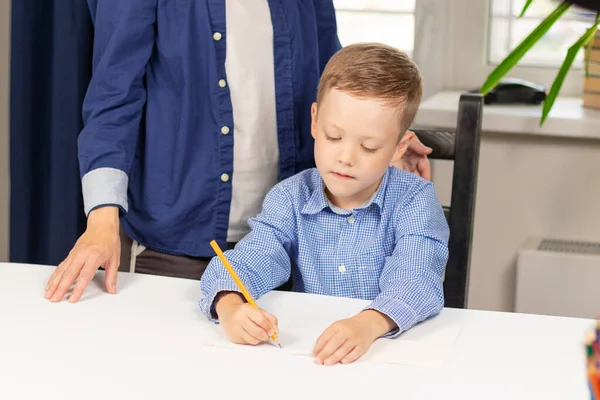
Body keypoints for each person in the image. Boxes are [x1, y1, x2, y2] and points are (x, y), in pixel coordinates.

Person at [44, 0, 432, 304]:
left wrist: (383, 144)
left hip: (289, 245)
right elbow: (114, 100)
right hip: (174, 244)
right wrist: (102, 221)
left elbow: (331, 78)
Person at [199, 43, 450, 366]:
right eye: (334, 136)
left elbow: (417, 277)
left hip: (387, 359)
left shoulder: (414, 201)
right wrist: (231, 307)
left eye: (369, 147)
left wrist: (368, 323)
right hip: (310, 361)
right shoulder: (290, 198)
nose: (346, 157)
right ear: (315, 121)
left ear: (399, 148)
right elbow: (250, 259)